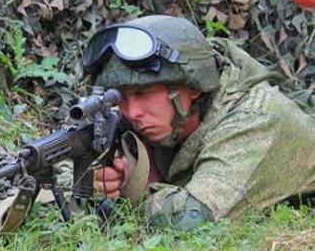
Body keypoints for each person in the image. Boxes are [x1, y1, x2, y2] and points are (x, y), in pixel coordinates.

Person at [86, 15, 315, 230]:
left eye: (143, 93)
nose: (132, 112)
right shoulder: (162, 115)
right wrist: (94, 179)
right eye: (121, 97)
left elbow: (190, 219)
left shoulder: (255, 120)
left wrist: (134, 191)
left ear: (193, 87)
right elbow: (70, 166)